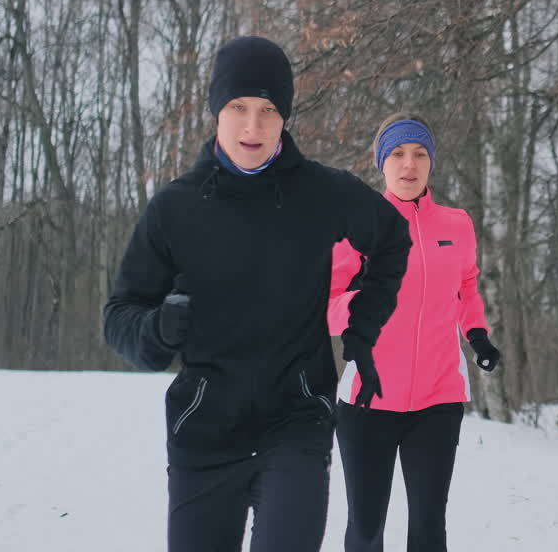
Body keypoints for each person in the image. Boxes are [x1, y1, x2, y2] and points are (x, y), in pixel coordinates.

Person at [102, 35, 412, 552]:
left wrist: (362, 329)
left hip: (295, 425)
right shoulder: (175, 209)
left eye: (268, 109)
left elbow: (392, 240)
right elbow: (119, 315)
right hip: (204, 435)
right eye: (239, 107)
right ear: (215, 111)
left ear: (285, 116)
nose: (253, 126)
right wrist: (156, 330)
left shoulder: (320, 192)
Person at [328, 112, 501, 552]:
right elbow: (325, 311)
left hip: (437, 402)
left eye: (420, 154)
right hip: (368, 402)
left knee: (428, 530)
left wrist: (477, 334)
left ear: (431, 163)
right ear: (381, 163)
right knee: (366, 532)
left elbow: (466, 285)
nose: (409, 164)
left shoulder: (457, 224)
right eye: (399, 154)